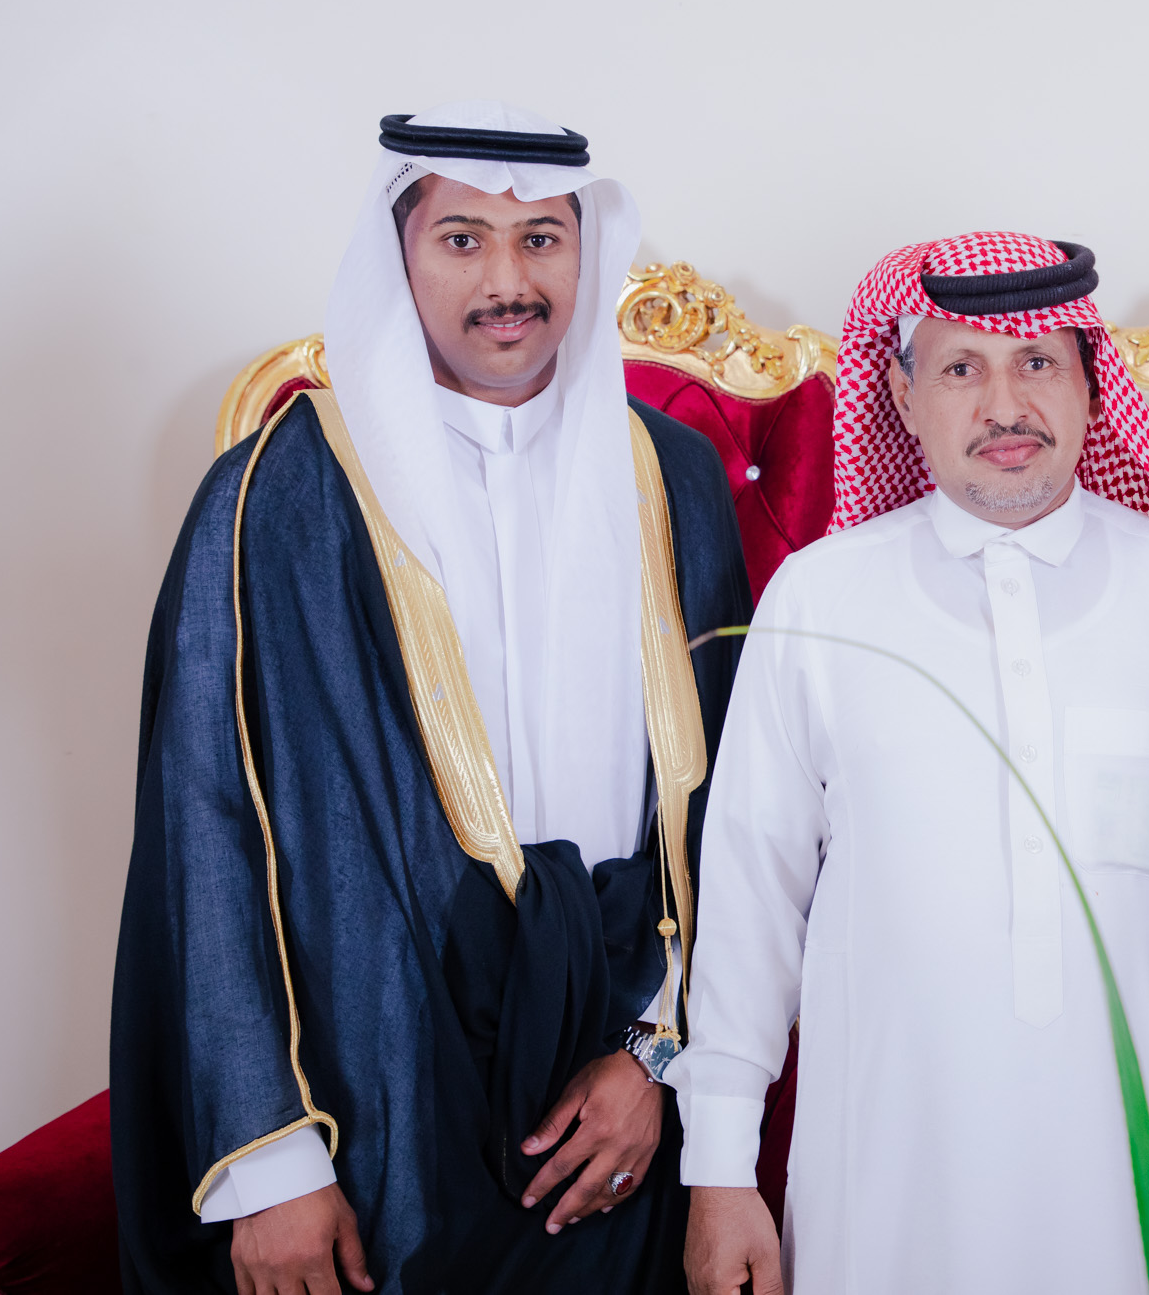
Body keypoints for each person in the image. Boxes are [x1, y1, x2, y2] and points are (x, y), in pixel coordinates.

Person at [112, 102, 750, 1294]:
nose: (508, 283)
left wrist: (657, 1059)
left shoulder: (672, 478)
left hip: (616, 1104)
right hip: (370, 1096)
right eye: (462, 239)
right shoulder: (276, 493)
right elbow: (207, 830)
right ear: (398, 255)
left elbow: (734, 811)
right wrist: (273, 1163)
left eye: (541, 239)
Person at [670, 233, 1149, 1294]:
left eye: (1037, 363)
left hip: (1128, 1185)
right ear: (902, 397)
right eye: (961, 368)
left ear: (1092, 388)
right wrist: (721, 1172)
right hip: (884, 1185)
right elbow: (750, 901)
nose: (1005, 405)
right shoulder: (819, 599)